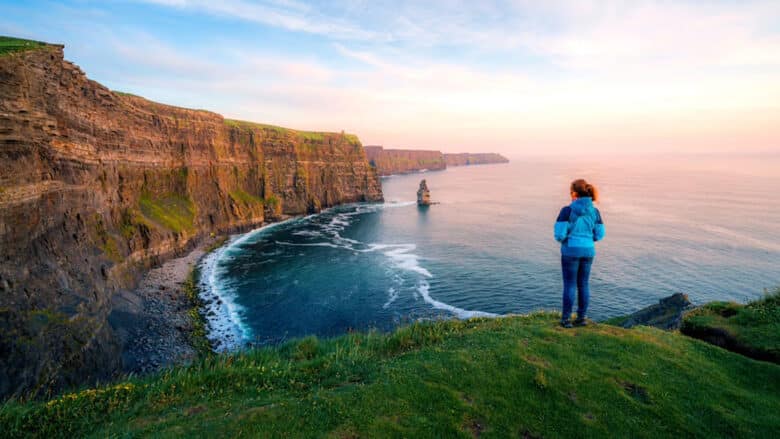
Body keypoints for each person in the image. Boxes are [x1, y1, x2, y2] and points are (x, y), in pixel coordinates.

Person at [554, 179, 605, 328]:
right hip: (588, 251)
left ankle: (566, 320)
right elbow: (600, 234)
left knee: (569, 285)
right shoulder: (595, 211)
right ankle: (581, 318)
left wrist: (567, 239)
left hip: (570, 251)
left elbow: (559, 234)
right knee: (583, 284)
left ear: (575, 193)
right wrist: (589, 239)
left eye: (570, 192)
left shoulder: (567, 210)